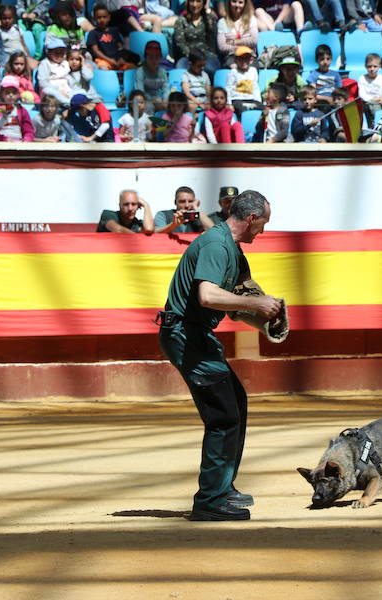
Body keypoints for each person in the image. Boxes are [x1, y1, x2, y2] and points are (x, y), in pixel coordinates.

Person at [156, 189, 281, 521]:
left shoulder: (233, 250)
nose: (264, 231)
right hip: (186, 335)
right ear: (251, 218)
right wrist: (257, 305)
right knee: (223, 415)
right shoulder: (216, 244)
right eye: (263, 223)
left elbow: (238, 300)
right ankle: (209, 500)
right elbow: (209, 295)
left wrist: (265, 319)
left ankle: (223, 487)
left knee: (235, 402)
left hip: (198, 335)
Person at [0, 75, 36, 141]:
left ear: (18, 94)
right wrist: (4, 139)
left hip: (19, 144)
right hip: (2, 144)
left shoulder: (22, 111)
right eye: (7, 92)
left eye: (14, 92)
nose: (11, 95)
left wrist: (26, 140)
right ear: (1, 94)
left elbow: (28, 131)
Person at [87, 4, 138, 70]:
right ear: (94, 19)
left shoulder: (114, 31)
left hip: (117, 60)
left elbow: (120, 47)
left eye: (104, 17)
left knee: (133, 68)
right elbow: (96, 51)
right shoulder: (93, 33)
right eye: (99, 17)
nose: (102, 20)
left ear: (109, 17)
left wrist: (121, 58)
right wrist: (110, 60)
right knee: (103, 68)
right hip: (103, 60)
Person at [174, 0, 220, 73]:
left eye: (198, 1)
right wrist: (194, 57)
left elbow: (211, 44)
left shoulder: (209, 20)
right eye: (192, 1)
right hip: (188, 57)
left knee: (211, 68)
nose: (195, 5)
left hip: (207, 56)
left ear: (203, 3)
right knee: (181, 68)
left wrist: (202, 58)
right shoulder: (181, 20)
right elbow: (180, 44)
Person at [217, 0, 259, 66]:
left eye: (240, 2)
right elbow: (222, 46)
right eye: (234, 1)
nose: (237, 5)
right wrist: (240, 47)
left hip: (249, 55)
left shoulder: (251, 19)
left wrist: (233, 42)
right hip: (232, 56)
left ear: (245, 4)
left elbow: (254, 40)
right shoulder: (222, 22)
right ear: (229, 3)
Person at [135, 40, 170, 111]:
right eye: (151, 57)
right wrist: (154, 101)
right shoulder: (140, 71)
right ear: (146, 57)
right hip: (145, 100)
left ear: (160, 58)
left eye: (157, 57)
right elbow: (140, 92)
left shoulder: (163, 72)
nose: (154, 60)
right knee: (148, 107)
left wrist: (165, 100)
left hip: (159, 99)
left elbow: (166, 89)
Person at [226, 46, 262, 115]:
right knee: (243, 111)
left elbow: (255, 87)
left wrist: (258, 101)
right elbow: (228, 88)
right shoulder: (233, 72)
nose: (244, 62)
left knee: (263, 109)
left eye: (246, 59)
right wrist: (229, 103)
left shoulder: (253, 71)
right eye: (241, 59)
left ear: (251, 60)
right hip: (237, 99)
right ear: (236, 60)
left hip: (251, 99)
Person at [358, 52, 382, 124]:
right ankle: (376, 124)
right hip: (369, 102)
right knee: (375, 107)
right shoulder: (362, 78)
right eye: (369, 66)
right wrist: (375, 99)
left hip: (381, 100)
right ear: (365, 66)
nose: (372, 69)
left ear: (379, 66)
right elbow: (362, 95)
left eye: (375, 66)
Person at [37, 37, 73, 102]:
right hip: (53, 91)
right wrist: (58, 90)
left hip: (67, 90)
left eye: (61, 52)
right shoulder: (45, 63)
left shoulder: (65, 63)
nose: (59, 55)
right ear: (49, 53)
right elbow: (42, 82)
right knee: (47, 90)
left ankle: (72, 102)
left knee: (81, 91)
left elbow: (70, 78)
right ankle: (69, 103)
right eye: (56, 53)